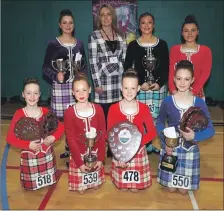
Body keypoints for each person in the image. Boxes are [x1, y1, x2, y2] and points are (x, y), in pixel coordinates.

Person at [156, 60, 215, 194]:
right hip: (171, 150)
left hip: (190, 150)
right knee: (170, 189)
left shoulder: (199, 103)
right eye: (179, 78)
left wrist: (196, 136)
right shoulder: (167, 101)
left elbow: (211, 129)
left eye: (186, 79)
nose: (182, 83)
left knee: (183, 191)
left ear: (192, 80)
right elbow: (159, 122)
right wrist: (164, 141)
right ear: (174, 79)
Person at [42, 9, 88, 163]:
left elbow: (84, 67)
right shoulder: (53, 44)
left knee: (76, 120)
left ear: (74, 24)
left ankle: (73, 150)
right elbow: (45, 68)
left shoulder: (79, 44)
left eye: (70, 22)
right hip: (60, 89)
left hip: (77, 89)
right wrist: (56, 76)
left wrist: (84, 81)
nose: (68, 26)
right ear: (59, 25)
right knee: (61, 121)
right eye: (64, 23)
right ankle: (67, 149)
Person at [6, 78, 64, 191]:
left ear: (40, 95)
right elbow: (10, 138)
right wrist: (28, 145)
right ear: (23, 94)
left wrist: (53, 137)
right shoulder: (19, 114)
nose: (32, 97)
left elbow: (60, 126)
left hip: (46, 156)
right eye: (28, 93)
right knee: (31, 188)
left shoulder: (46, 112)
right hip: (30, 157)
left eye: (35, 93)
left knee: (49, 185)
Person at [124, 12, 169, 154]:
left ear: (153, 25)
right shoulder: (133, 45)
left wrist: (159, 83)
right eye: (143, 22)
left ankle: (150, 144)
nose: (146, 25)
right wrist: (140, 83)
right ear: (139, 26)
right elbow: (127, 67)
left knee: (155, 119)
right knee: (140, 118)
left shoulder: (162, 44)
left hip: (158, 89)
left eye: (149, 22)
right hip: (140, 89)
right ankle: (140, 146)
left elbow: (166, 67)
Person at [107, 69, 157, 192]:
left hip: (138, 152)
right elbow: (109, 134)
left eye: (133, 88)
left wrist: (136, 145)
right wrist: (120, 156)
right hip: (120, 153)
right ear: (121, 88)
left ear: (138, 88)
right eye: (126, 88)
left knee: (135, 189)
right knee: (123, 188)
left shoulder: (144, 108)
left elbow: (152, 132)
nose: (129, 92)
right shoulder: (113, 109)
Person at [88, 4, 127, 158]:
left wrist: (124, 83)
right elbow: (92, 61)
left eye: (108, 14)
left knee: (115, 119)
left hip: (117, 84)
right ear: (99, 18)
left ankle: (113, 147)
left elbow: (124, 59)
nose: (105, 17)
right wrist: (96, 84)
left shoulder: (121, 36)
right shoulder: (94, 36)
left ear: (113, 17)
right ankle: (100, 148)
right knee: (102, 120)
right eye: (102, 15)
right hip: (102, 85)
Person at [64, 73, 106, 194]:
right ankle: (81, 176)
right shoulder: (70, 113)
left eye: (84, 90)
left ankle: (94, 179)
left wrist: (100, 159)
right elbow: (70, 139)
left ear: (90, 90)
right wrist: (79, 163)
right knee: (81, 191)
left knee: (95, 188)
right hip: (79, 155)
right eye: (77, 91)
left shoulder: (98, 109)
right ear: (72, 92)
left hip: (95, 154)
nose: (81, 94)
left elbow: (102, 134)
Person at [169, 14, 212, 99]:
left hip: (196, 93)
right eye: (186, 31)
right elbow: (171, 71)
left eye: (193, 30)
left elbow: (205, 74)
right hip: (176, 92)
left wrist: (193, 92)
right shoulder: (174, 49)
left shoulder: (206, 50)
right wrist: (173, 91)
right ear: (182, 33)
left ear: (197, 32)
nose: (189, 33)